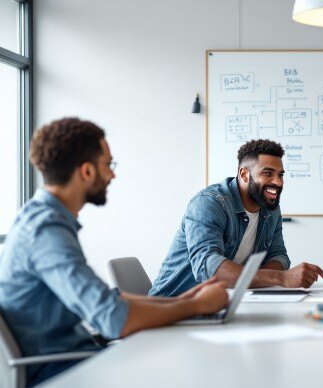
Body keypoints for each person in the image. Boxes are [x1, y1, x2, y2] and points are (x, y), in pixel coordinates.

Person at [0, 118, 229, 386]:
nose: (113, 174)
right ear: (86, 171)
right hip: (62, 373)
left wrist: (184, 302)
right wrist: (196, 305)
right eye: (108, 165)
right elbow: (113, 319)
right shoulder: (45, 231)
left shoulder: (44, 220)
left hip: (80, 357)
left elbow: (109, 301)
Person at [149, 139, 323, 297]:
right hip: (172, 305)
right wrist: (280, 277)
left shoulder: (271, 210)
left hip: (223, 302)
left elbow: (278, 256)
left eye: (280, 175)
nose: (278, 182)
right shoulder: (209, 203)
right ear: (244, 174)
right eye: (268, 173)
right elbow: (207, 267)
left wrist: (255, 279)